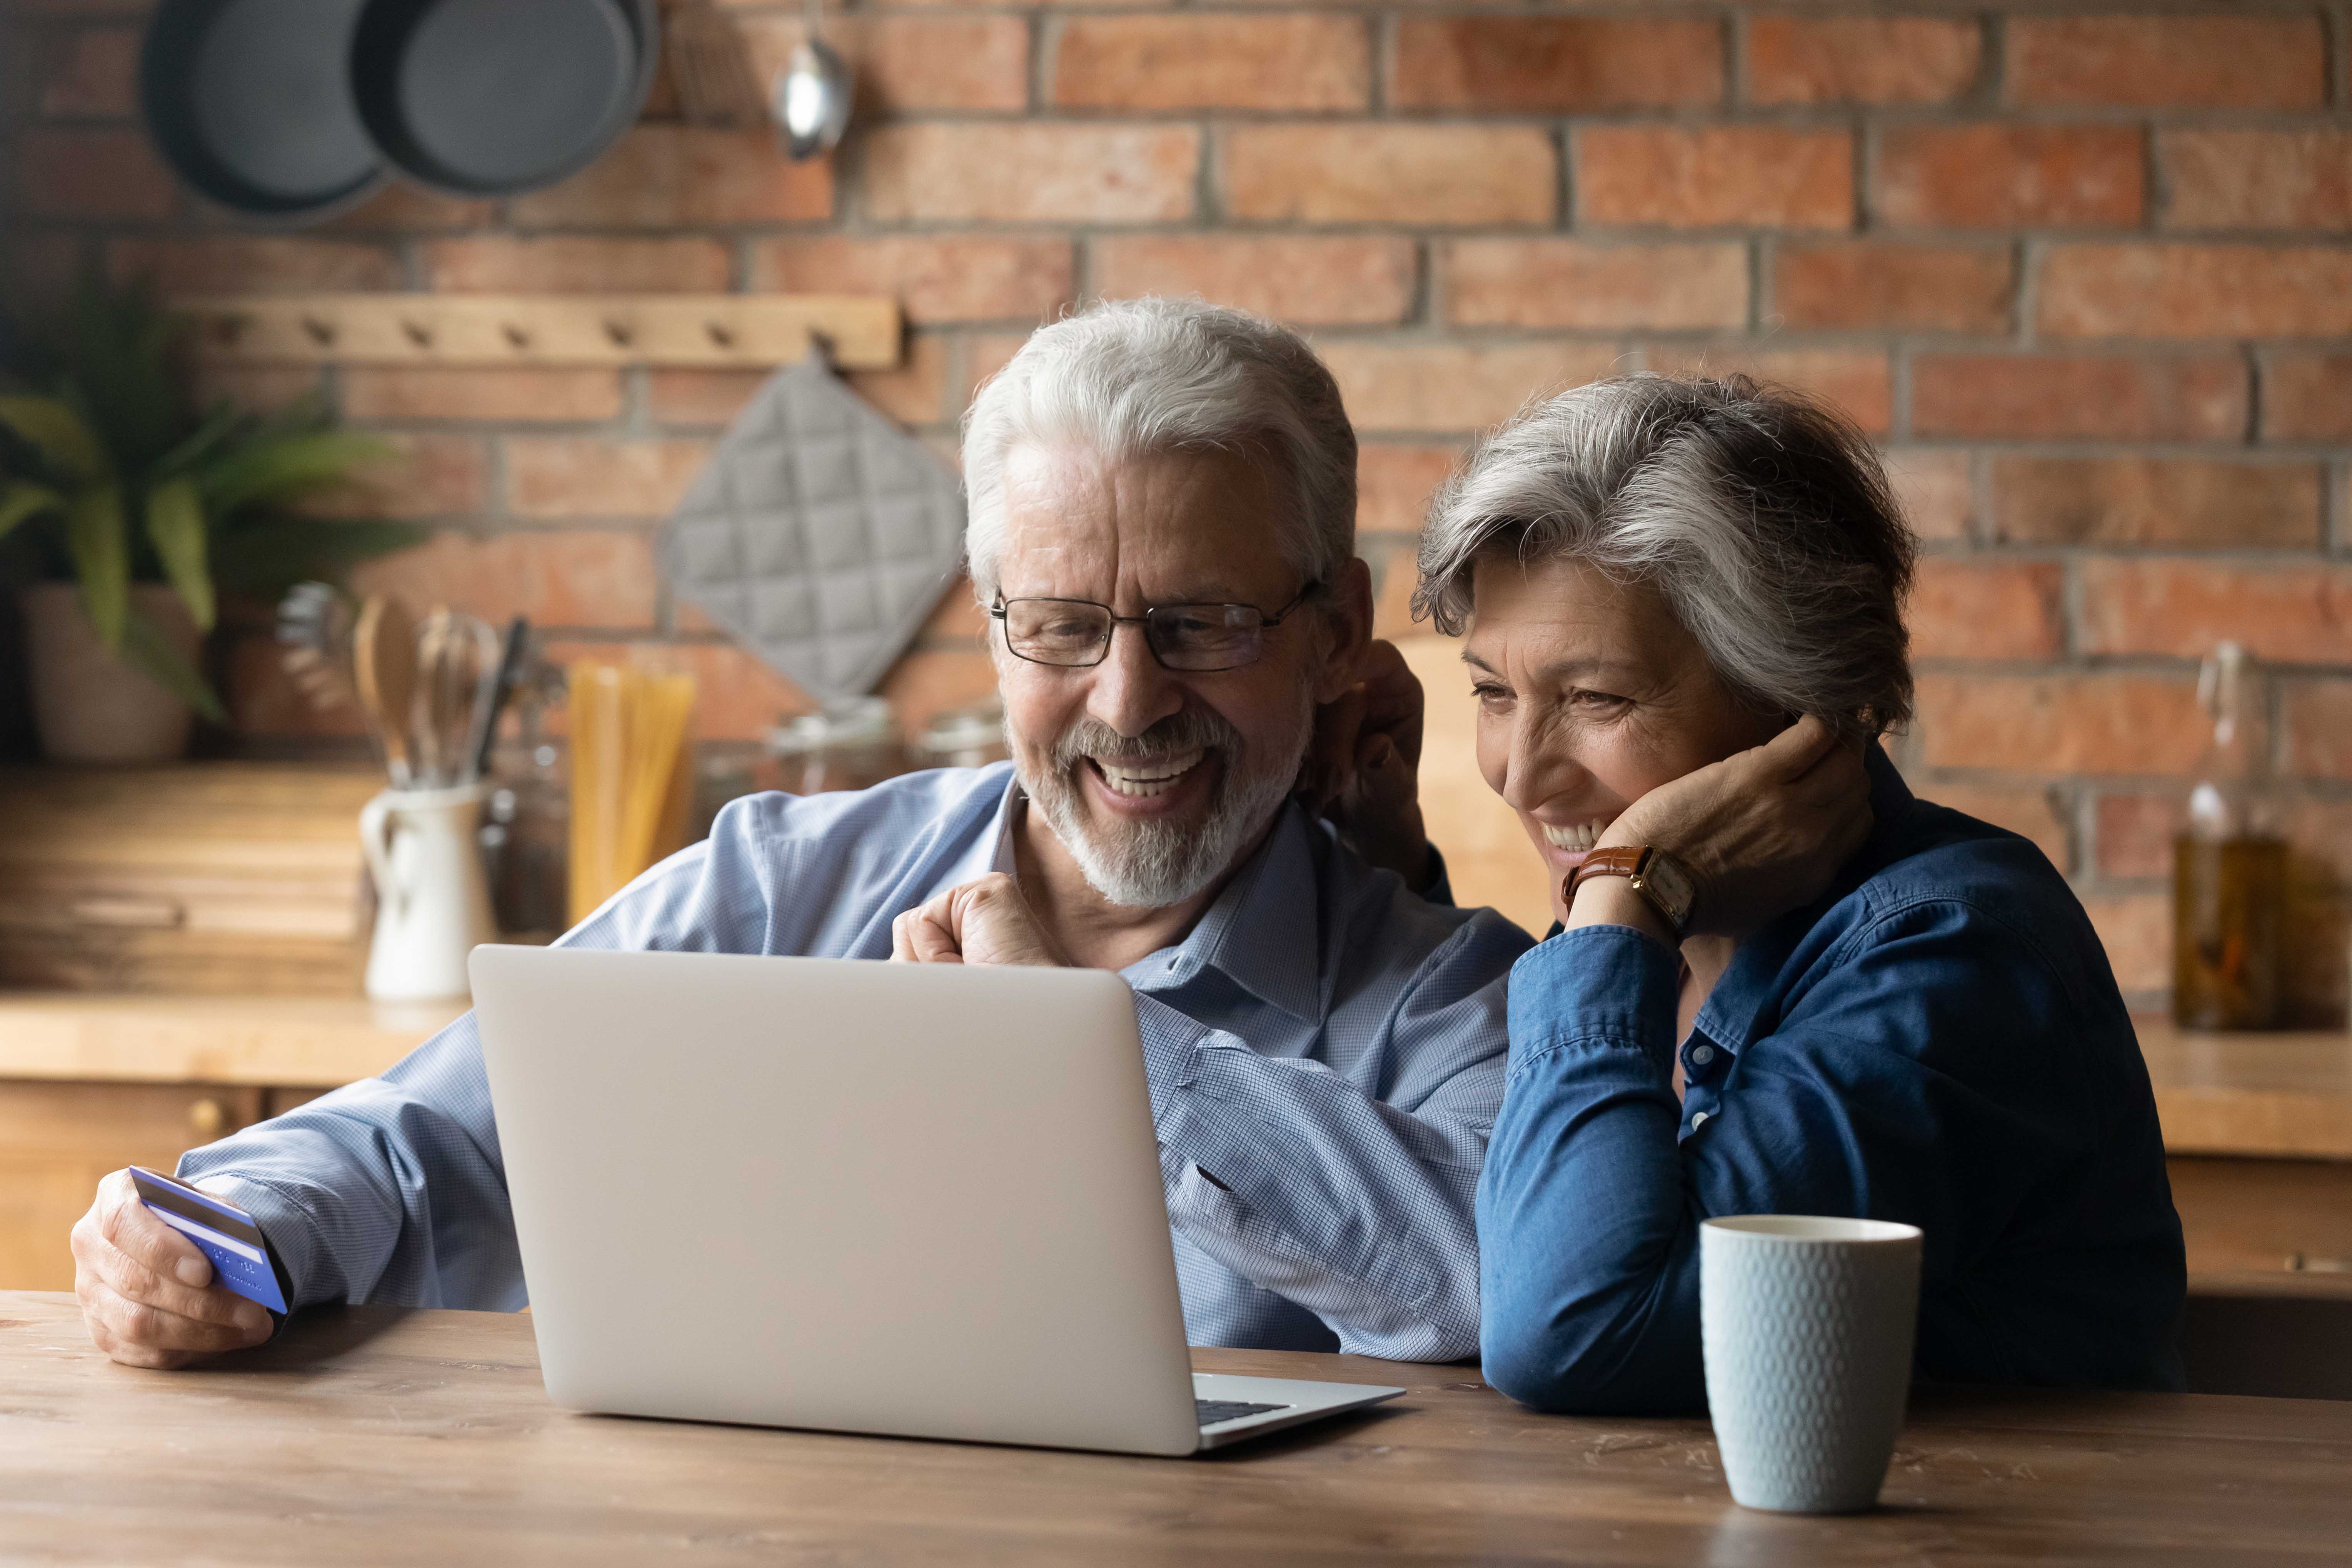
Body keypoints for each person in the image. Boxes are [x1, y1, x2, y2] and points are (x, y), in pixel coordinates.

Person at [70, 299, 1535, 1370]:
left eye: (1202, 624)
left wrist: (1078, 1043)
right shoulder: (777, 883)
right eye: (1064, 626)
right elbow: (425, 1140)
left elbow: (1499, 1281)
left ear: (1336, 632)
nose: (1127, 697)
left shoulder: (1451, 997)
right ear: (997, 634)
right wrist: (222, 1231)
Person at [1416, 374, 2185, 1412]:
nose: (1519, 772)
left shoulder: (1955, 957)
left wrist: (1624, 888)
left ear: (1796, 700)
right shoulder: (1654, 936)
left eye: (1595, 697)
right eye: (1494, 694)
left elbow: (1572, 1330)